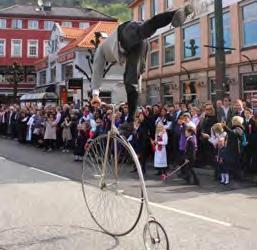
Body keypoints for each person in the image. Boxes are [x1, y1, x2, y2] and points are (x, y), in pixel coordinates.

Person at [90, 4, 194, 127]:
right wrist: (136, 89)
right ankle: (131, 121)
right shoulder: (120, 55)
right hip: (137, 45)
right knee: (130, 82)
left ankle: (176, 13)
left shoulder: (100, 50)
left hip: (124, 33)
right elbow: (137, 74)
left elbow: (97, 70)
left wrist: (95, 94)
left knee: (143, 30)